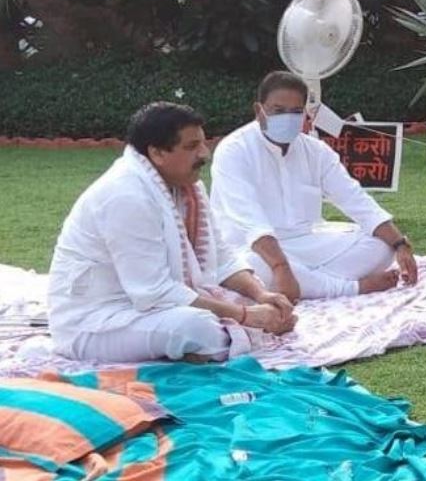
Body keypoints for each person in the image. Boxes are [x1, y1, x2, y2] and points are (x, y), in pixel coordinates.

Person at [48, 102, 296, 363]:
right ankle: (231, 336)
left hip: (147, 308)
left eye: (202, 143)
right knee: (198, 329)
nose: (204, 154)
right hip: (96, 322)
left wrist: (261, 295)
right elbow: (153, 292)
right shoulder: (126, 196)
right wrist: (245, 315)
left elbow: (221, 256)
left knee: (257, 278)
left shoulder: (189, 187)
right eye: (191, 147)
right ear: (156, 153)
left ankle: (237, 331)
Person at [210, 71, 417, 301]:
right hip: (254, 249)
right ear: (259, 111)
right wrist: (280, 266)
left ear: (305, 114)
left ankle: (307, 284)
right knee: (250, 267)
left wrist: (400, 244)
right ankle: (350, 287)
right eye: (279, 111)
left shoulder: (315, 151)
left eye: (296, 112)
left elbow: (354, 199)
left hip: (306, 244)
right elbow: (251, 223)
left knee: (381, 247)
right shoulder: (234, 151)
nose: (288, 118)